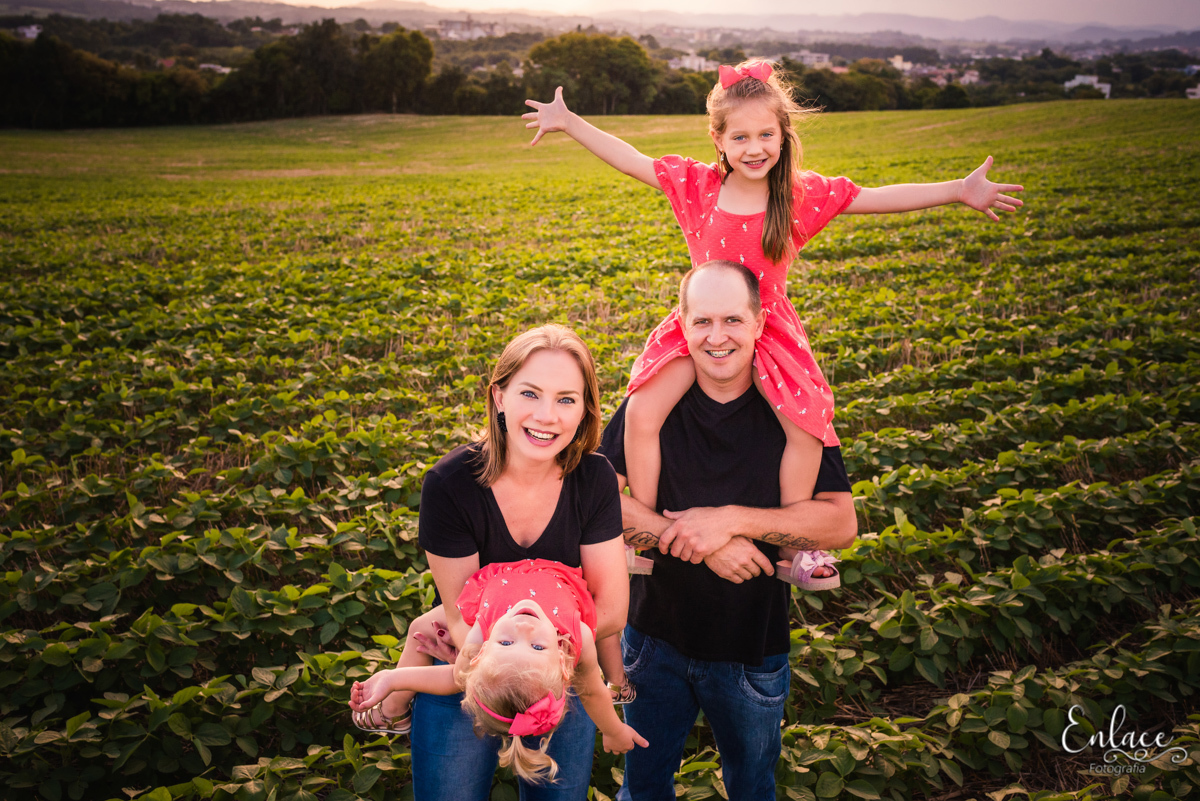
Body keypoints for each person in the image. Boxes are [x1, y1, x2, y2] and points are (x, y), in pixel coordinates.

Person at [524, 60, 1022, 589]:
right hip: (702, 324)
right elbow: (632, 160)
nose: (754, 147)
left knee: (804, 425)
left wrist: (957, 191)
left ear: (785, 136)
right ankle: (639, 534)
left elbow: (876, 198)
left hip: (768, 328)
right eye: (740, 136)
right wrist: (570, 122)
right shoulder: (696, 188)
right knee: (644, 409)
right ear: (718, 139)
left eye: (766, 134)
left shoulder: (798, 196)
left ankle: (794, 553)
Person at [597, 260, 859, 801]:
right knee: (642, 789)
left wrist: (732, 521)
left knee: (752, 788)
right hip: (651, 639)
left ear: (761, 322)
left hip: (753, 648)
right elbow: (591, 496)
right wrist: (705, 544)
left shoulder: (792, 407)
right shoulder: (651, 402)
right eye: (703, 322)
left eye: (734, 321)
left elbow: (839, 522)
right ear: (682, 325)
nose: (717, 338)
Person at [393, 324, 633, 800]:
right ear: (499, 396)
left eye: (567, 399)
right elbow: (461, 623)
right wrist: (525, 644)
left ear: (585, 409)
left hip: (562, 674)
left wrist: (542, 657)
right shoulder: (450, 484)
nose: (547, 416)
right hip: (474, 671)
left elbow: (613, 611)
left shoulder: (594, 477)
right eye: (530, 393)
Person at [349, 559, 647, 781]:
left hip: (491, 593)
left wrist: (392, 678)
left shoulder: (481, 635)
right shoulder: (577, 636)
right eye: (538, 647)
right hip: (558, 576)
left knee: (419, 629)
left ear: (482, 654)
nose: (524, 627)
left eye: (505, 642)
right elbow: (593, 691)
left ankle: (394, 708)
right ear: (562, 661)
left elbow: (456, 677)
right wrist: (613, 730)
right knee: (606, 630)